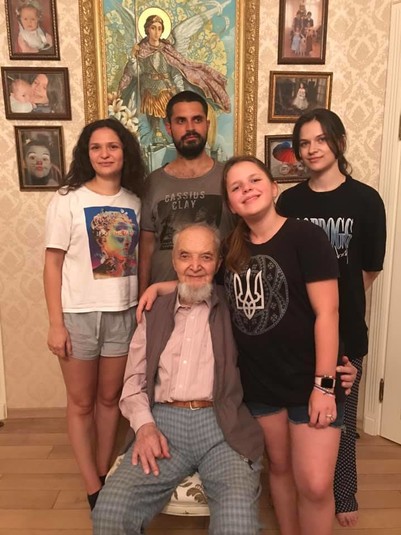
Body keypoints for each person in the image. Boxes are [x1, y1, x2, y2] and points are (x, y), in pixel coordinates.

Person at [138, 157, 358, 535]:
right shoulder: (232, 249)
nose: (247, 190)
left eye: (255, 180)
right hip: (259, 385)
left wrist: (325, 385)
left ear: (274, 187)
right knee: (280, 470)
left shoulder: (305, 237)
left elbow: (328, 313)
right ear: (231, 203)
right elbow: (203, 281)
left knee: (315, 484)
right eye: (236, 187)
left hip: (310, 380)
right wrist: (162, 286)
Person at [92, 223, 264, 534]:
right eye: (185, 256)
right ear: (174, 262)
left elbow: (282, 335)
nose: (195, 266)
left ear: (218, 264)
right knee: (110, 511)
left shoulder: (237, 306)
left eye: (206, 257)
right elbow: (133, 382)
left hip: (222, 427)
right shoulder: (154, 310)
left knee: (237, 522)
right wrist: (144, 427)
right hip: (162, 427)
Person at [277, 108, 386, 528]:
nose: (312, 149)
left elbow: (369, 269)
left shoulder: (367, 200)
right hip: (296, 331)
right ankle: (304, 487)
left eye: (321, 139)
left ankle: (344, 492)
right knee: (304, 416)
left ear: (338, 142)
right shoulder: (290, 202)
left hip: (346, 331)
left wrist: (339, 308)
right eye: (304, 143)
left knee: (341, 418)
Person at [43, 118, 146, 511]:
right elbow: (52, 264)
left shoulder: (135, 201)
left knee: (110, 400)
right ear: (86, 154)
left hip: (122, 314)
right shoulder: (67, 199)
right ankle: (91, 486)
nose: (105, 154)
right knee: (81, 402)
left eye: (113, 146)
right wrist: (56, 324)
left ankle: (104, 475)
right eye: (96, 147)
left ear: (124, 152)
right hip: (78, 315)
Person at [138, 90, 234, 295]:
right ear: (169, 127)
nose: (190, 128)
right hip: (165, 300)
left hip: (220, 299)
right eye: (181, 121)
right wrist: (142, 297)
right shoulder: (153, 183)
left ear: (207, 124)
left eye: (197, 119)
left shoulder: (229, 178)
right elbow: (146, 248)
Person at [117, 13, 230, 142]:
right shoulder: (141, 50)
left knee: (170, 117)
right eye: (153, 28)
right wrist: (133, 58)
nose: (156, 32)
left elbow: (176, 71)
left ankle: (174, 140)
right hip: (147, 91)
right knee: (152, 121)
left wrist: (181, 91)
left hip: (166, 90)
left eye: (159, 28)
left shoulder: (167, 49)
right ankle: (154, 139)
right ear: (147, 29)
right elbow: (137, 72)